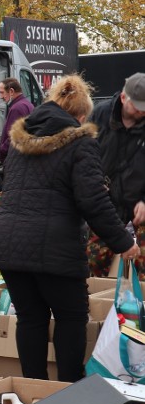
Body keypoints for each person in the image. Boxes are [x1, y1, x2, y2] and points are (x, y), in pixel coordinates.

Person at [0, 75, 139, 382]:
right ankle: (69, 390)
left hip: (7, 245)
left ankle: (33, 390)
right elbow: (93, 201)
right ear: (80, 116)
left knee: (30, 318)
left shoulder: (19, 141)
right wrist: (124, 243)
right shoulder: (79, 142)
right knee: (71, 317)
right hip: (55, 250)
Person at [87, 72, 145, 277]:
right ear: (123, 97)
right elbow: (83, 154)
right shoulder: (99, 115)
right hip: (106, 200)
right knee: (93, 260)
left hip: (139, 200)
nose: (140, 111)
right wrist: (92, 182)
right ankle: (97, 301)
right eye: (137, 105)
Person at [0, 78, 34, 163]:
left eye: (2, 92)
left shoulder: (17, 108)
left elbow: (12, 136)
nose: (1, 96)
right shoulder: (27, 104)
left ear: (11, 91)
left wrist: (2, 152)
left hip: (14, 159)